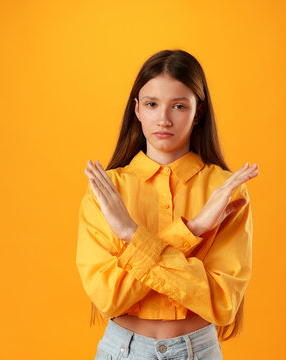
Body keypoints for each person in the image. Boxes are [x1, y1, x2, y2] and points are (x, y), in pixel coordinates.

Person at [76, 49, 259, 360]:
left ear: (198, 112)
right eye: (151, 104)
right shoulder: (107, 191)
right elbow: (108, 297)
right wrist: (195, 230)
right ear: (136, 109)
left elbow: (222, 302)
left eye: (178, 105)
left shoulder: (224, 192)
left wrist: (133, 235)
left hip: (197, 351)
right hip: (121, 351)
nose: (163, 119)